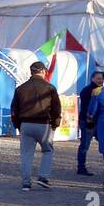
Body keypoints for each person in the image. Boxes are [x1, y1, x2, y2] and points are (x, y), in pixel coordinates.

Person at [11, 60, 61, 190]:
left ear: (31, 72)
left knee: (26, 154)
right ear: (43, 71)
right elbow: (56, 109)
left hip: (26, 125)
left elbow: (14, 110)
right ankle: (43, 177)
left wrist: (18, 125)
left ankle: (26, 183)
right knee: (48, 150)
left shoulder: (20, 89)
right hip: (43, 125)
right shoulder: (50, 88)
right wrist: (55, 124)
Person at [76, 69, 104, 176]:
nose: (100, 80)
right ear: (92, 79)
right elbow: (87, 107)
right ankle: (81, 168)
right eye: (98, 79)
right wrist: (89, 120)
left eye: (102, 79)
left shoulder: (100, 90)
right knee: (84, 146)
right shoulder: (89, 90)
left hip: (97, 122)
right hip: (89, 121)